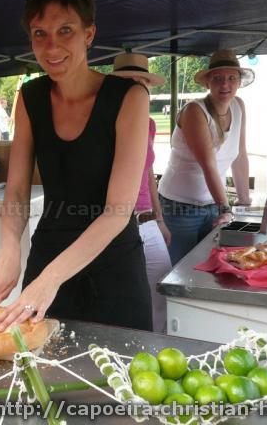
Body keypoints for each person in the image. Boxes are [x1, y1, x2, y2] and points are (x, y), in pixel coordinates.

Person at [0, 0, 152, 332]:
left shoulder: (129, 98)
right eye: (39, 34)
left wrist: (49, 280)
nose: (52, 46)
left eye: (65, 30)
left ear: (88, 34)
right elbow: (17, 189)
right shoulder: (30, 98)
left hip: (114, 263)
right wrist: (10, 248)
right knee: (38, 360)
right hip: (49, 250)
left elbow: (118, 211)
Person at [158, 49, 253, 265]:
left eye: (231, 78)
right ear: (208, 83)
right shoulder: (195, 111)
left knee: (209, 267)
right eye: (218, 78)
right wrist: (226, 208)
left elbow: (240, 156)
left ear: (239, 82)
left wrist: (244, 201)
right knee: (180, 271)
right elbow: (208, 165)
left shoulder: (238, 106)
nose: (225, 84)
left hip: (213, 205)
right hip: (179, 208)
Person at [111, 52, 172, 333]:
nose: (136, 87)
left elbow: (149, 173)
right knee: (123, 297)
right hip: (116, 223)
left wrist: (159, 219)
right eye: (128, 81)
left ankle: (157, 348)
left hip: (147, 220)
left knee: (162, 291)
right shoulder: (103, 122)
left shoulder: (148, 124)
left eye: (141, 81)